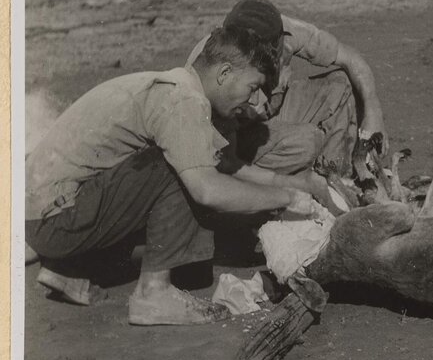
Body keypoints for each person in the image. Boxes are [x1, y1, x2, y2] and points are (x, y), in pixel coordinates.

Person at [25, 25, 338, 326]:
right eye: (252, 87)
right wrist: (288, 200)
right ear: (225, 73)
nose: (255, 101)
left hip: (44, 212)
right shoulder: (183, 101)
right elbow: (207, 189)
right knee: (182, 170)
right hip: (56, 218)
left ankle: (71, 267)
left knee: (183, 164)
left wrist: (292, 184)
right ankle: (153, 293)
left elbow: (224, 165)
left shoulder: (176, 86)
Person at [187, 0, 387, 177]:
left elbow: (350, 59)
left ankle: (337, 177)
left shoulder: (283, 31)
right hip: (233, 136)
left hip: (269, 115)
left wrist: (373, 112)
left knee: (339, 85)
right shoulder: (208, 59)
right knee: (307, 141)